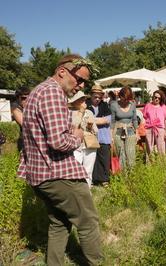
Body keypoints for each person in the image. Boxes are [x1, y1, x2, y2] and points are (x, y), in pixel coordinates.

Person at [17, 54, 102, 265]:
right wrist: (78, 136)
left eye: (84, 82)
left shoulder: (39, 91)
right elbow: (58, 141)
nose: (81, 85)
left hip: (41, 176)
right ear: (62, 71)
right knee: (88, 222)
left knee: (60, 223)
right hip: (58, 173)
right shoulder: (53, 93)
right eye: (79, 79)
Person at [68, 91, 98, 187]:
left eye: (84, 98)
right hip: (76, 145)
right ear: (75, 101)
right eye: (81, 99)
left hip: (90, 144)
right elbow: (74, 127)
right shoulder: (70, 112)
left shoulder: (89, 112)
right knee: (75, 170)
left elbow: (96, 131)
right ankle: (75, 192)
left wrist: (91, 125)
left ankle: (87, 191)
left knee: (88, 171)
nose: (84, 100)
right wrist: (80, 112)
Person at [87, 85, 112, 186]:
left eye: (99, 97)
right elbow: (85, 120)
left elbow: (107, 120)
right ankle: (93, 179)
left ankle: (104, 179)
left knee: (104, 158)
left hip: (103, 136)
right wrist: (99, 120)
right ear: (91, 96)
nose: (97, 99)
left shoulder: (105, 105)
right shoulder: (86, 104)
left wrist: (92, 120)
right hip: (90, 137)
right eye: (95, 97)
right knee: (92, 159)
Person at [110, 86, 138, 170]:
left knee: (130, 154)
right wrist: (111, 136)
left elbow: (135, 119)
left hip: (130, 131)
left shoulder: (133, 105)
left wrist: (137, 132)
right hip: (118, 132)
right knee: (120, 154)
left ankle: (132, 175)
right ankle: (123, 177)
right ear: (120, 96)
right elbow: (112, 121)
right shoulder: (114, 105)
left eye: (128, 99)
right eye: (124, 98)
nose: (126, 101)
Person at [143, 90, 166, 159]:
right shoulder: (147, 106)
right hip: (149, 128)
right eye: (155, 97)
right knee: (149, 148)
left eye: (159, 98)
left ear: (161, 99)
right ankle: (150, 166)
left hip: (160, 129)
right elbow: (144, 118)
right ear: (152, 97)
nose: (157, 99)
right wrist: (144, 129)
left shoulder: (163, 107)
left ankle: (162, 165)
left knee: (161, 147)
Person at [11, 86, 31, 151]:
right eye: (23, 98)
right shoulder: (15, 107)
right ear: (18, 98)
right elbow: (24, 124)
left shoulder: (29, 106)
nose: (26, 100)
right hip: (24, 139)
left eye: (29, 98)